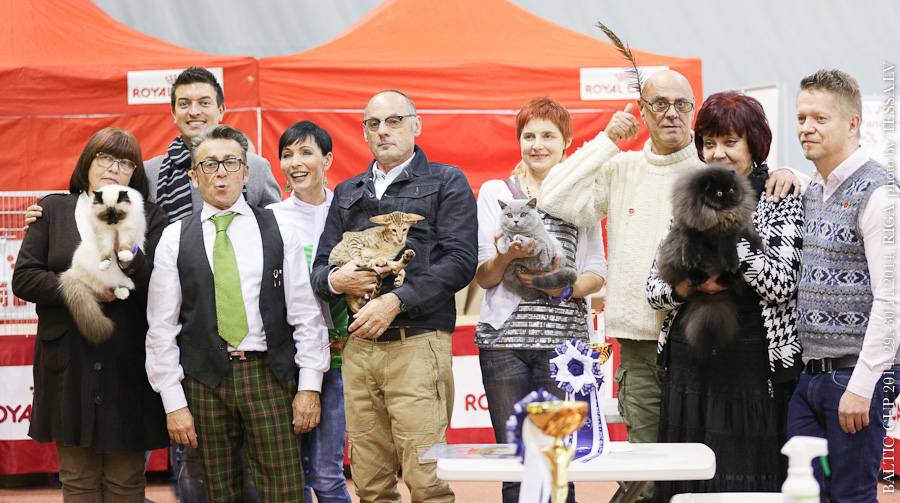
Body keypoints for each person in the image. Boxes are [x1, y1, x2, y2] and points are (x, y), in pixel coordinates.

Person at [540, 71, 799, 501]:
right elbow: (553, 199)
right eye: (659, 103)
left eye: (681, 104)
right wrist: (607, 140)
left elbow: (772, 207)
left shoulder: (717, 175)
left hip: (727, 357)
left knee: (726, 476)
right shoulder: (635, 172)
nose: (671, 113)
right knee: (652, 483)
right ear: (642, 111)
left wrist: (788, 174)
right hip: (656, 349)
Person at [145, 124, 330, 502]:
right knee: (217, 493)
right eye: (209, 165)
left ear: (246, 173)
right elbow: (161, 328)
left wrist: (310, 386)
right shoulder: (174, 238)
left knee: (286, 491)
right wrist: (173, 403)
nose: (221, 173)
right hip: (203, 382)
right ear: (194, 177)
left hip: (270, 376)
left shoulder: (279, 227)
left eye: (231, 163)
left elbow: (306, 315)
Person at [310, 90, 477, 503]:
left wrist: (396, 300)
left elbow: (461, 261)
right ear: (364, 132)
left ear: (416, 125)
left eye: (394, 121)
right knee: (370, 485)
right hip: (358, 349)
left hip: (417, 345)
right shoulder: (346, 191)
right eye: (373, 123)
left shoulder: (446, 180)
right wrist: (338, 280)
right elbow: (319, 271)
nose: (383, 130)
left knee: (427, 482)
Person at [646, 91, 805, 500]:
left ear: (754, 145)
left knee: (744, 477)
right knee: (688, 481)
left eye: (731, 142)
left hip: (752, 368)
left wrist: (732, 233)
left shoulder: (780, 197)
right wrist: (691, 286)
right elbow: (654, 291)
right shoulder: (689, 196)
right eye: (710, 142)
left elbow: (781, 285)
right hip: (690, 365)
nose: (718, 153)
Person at [12, 127, 169, 502]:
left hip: (126, 364)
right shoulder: (53, 210)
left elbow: (159, 284)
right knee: (78, 480)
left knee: (125, 482)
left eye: (126, 163)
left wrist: (127, 254)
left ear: (135, 174)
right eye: (105, 158)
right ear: (87, 163)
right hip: (67, 367)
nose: (114, 168)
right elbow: (25, 278)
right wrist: (80, 288)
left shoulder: (151, 216)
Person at [474, 97, 606, 503]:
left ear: (566, 142)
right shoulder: (496, 193)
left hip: (564, 347)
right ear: (519, 141)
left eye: (548, 136)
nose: (537, 145)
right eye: (529, 136)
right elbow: (484, 276)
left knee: (557, 465)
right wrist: (506, 257)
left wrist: (561, 289)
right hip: (503, 346)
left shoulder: (582, 197)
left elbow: (597, 270)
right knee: (517, 466)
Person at [787, 69, 899, 502]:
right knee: (803, 495)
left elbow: (892, 299)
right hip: (810, 378)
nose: (806, 128)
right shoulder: (813, 189)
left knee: (852, 497)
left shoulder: (880, 194)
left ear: (853, 124)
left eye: (820, 118)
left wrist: (863, 385)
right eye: (801, 118)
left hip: (855, 378)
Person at [267, 121, 352, 503]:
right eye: (287, 154)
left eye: (306, 152)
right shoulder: (270, 218)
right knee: (290, 476)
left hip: (340, 360)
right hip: (286, 361)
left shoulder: (348, 213)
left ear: (327, 159)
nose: (295, 162)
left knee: (326, 474)